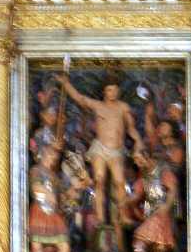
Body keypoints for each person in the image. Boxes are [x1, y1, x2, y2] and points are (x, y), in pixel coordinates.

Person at [56, 75, 144, 228]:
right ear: (104, 92)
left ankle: (123, 215)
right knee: (99, 180)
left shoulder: (123, 107)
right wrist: (66, 84)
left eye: (115, 90)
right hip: (100, 148)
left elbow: (131, 128)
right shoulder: (97, 105)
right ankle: (100, 217)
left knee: (120, 182)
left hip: (116, 150)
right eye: (109, 90)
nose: (113, 93)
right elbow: (79, 98)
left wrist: (138, 140)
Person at [129, 150, 179, 252]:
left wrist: (167, 206)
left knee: (139, 244)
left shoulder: (163, 171)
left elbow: (172, 189)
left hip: (160, 215)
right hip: (153, 215)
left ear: (147, 157)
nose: (137, 163)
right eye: (135, 161)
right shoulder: (144, 176)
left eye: (139, 159)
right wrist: (124, 201)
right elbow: (136, 194)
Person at [28, 145, 72, 252]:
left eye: (54, 156)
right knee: (37, 246)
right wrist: (47, 194)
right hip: (40, 211)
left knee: (64, 245)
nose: (52, 158)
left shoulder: (54, 176)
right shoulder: (36, 170)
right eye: (49, 154)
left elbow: (62, 196)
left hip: (54, 213)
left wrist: (72, 192)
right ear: (42, 155)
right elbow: (35, 188)